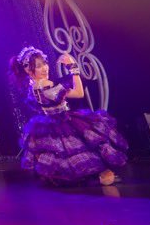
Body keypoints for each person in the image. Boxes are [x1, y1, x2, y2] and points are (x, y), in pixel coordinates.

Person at [10, 46, 127, 185]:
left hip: (51, 123)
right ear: (28, 70)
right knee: (81, 147)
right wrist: (73, 68)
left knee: (66, 155)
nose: (45, 68)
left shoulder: (32, 87)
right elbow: (79, 93)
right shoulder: (45, 84)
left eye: (45, 63)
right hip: (61, 122)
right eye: (39, 66)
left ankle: (88, 177)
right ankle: (98, 176)